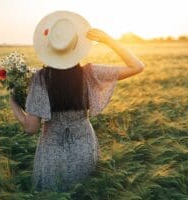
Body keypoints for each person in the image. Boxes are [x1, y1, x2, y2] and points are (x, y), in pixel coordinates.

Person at [9, 11, 144, 192]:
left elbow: (30, 128)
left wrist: (14, 103)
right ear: (76, 46)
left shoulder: (40, 79)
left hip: (51, 153)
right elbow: (137, 66)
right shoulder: (90, 74)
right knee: (85, 192)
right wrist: (108, 40)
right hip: (83, 147)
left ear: (49, 48)